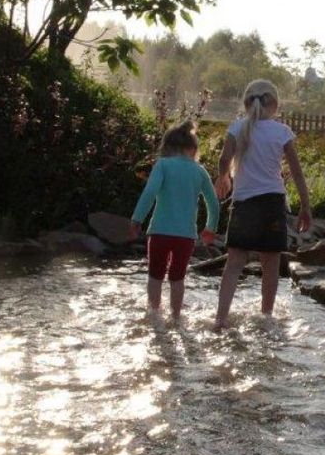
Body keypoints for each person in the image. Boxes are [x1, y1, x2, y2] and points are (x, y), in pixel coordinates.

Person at [213, 80, 311, 330]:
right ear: (275, 105)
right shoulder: (282, 132)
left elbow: (224, 160)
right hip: (271, 203)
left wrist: (223, 178)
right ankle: (266, 317)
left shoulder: (237, 128)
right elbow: (297, 173)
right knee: (270, 262)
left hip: (244, 202)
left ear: (246, 104)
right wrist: (305, 207)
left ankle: (221, 319)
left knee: (234, 263)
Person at [129, 120, 219, 321]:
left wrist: (137, 219)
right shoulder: (199, 171)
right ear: (194, 149)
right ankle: (176, 317)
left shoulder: (163, 165)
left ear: (167, 147)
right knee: (178, 278)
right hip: (185, 236)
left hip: (160, 232)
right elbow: (213, 202)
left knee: (155, 276)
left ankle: (153, 314)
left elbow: (150, 192)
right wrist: (210, 228)